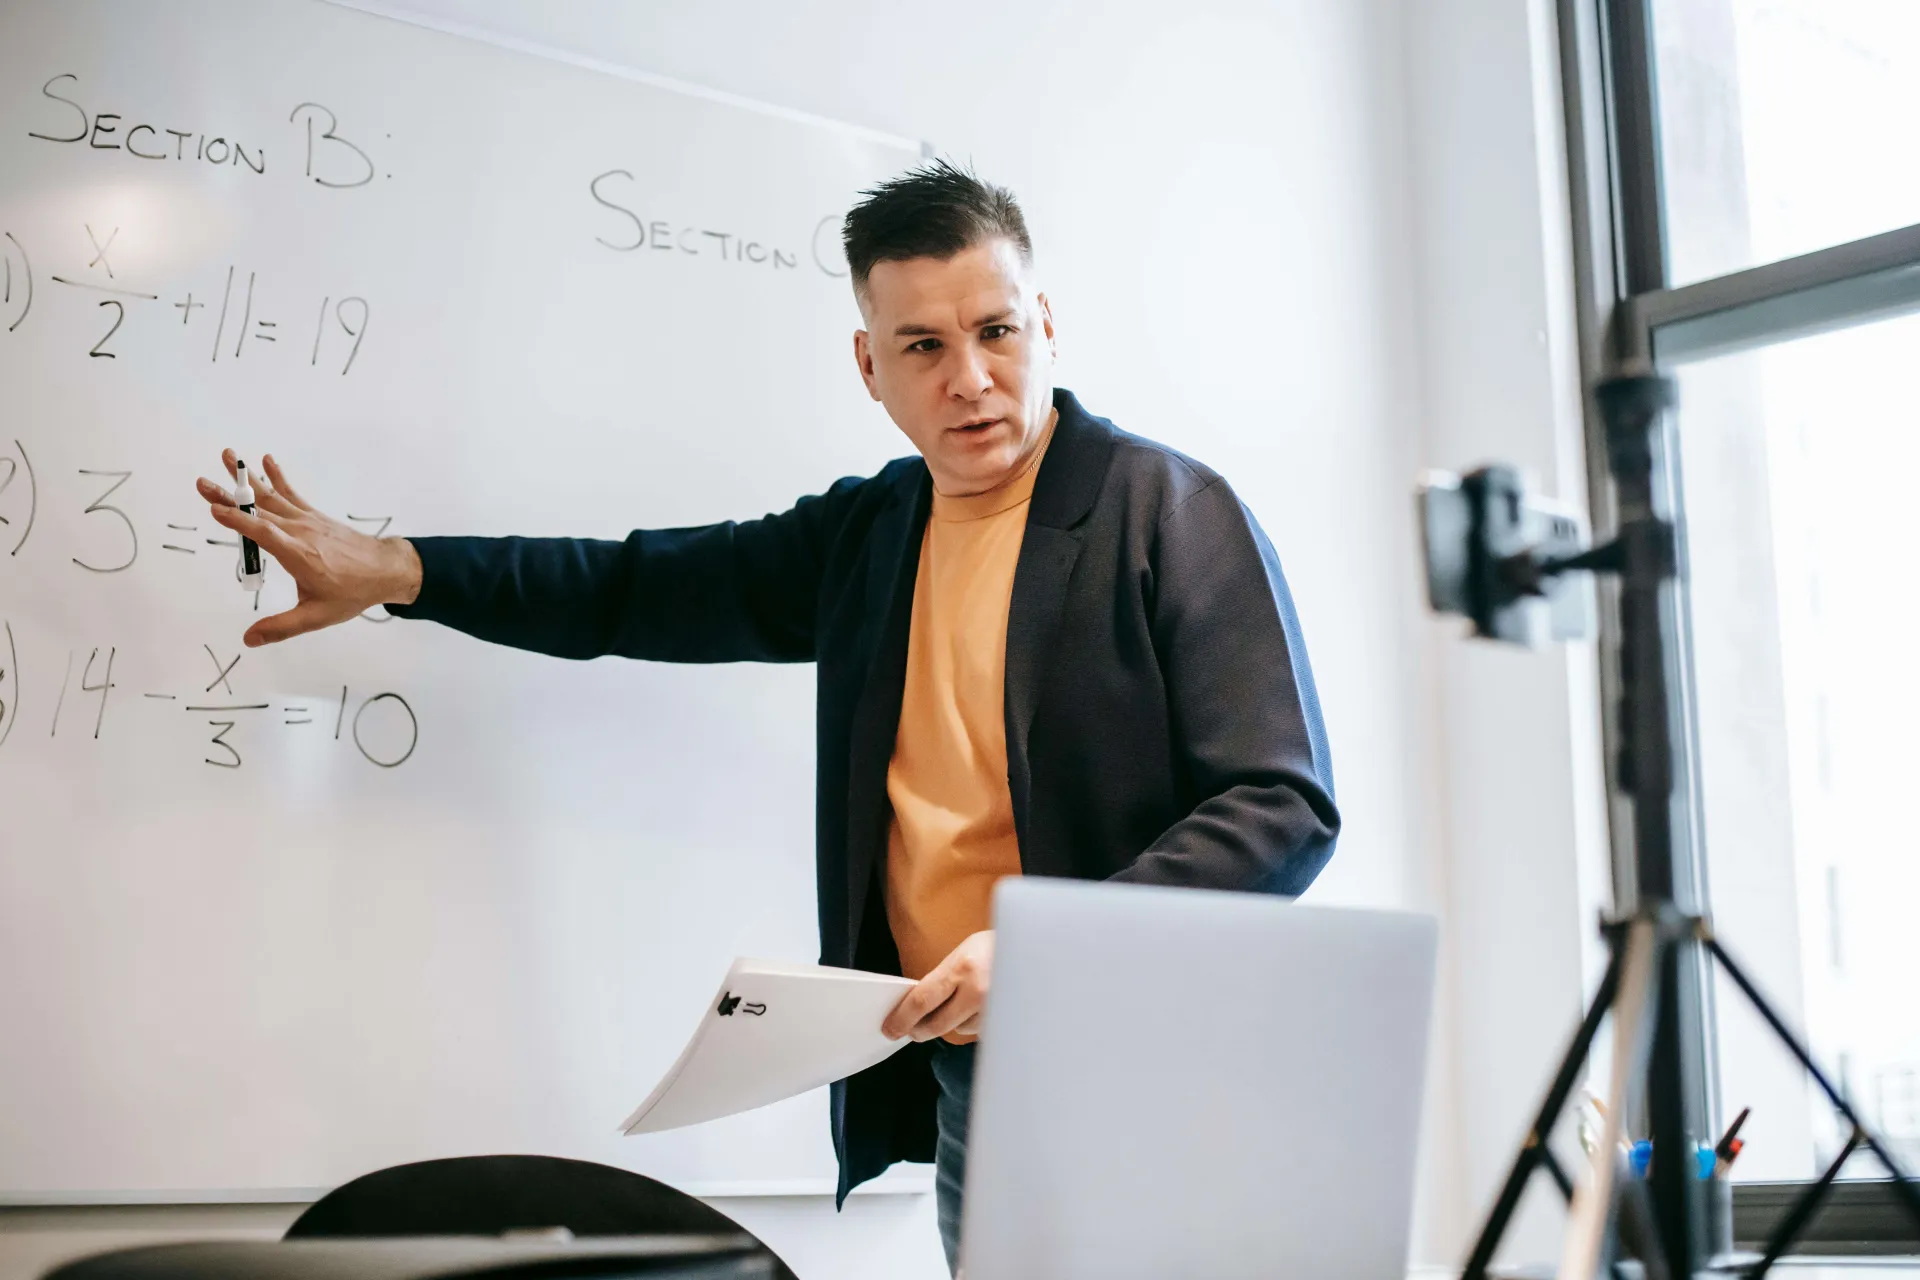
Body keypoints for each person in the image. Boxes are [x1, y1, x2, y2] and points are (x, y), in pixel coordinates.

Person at [196, 160, 1339, 1275]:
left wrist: (1055, 948)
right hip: (977, 1071)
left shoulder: (1167, 509)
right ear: (869, 367)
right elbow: (633, 586)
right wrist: (400, 568)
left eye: (996, 331)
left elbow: (1281, 802)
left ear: (1045, 320)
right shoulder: (873, 535)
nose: (971, 379)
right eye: (923, 347)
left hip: (1152, 1070)